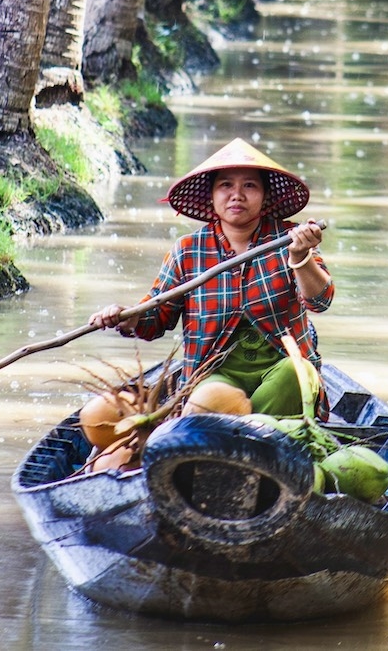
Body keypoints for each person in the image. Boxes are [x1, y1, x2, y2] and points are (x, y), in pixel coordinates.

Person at [82, 138, 333, 470]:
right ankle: (229, 455)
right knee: (208, 400)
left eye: (249, 186)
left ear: (265, 196)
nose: (237, 194)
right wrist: (121, 316)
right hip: (215, 372)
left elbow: (320, 300)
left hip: (280, 368)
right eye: (226, 185)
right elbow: (154, 318)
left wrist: (299, 257)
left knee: (296, 372)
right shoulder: (189, 250)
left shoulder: (290, 239)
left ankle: (246, 456)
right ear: (212, 196)